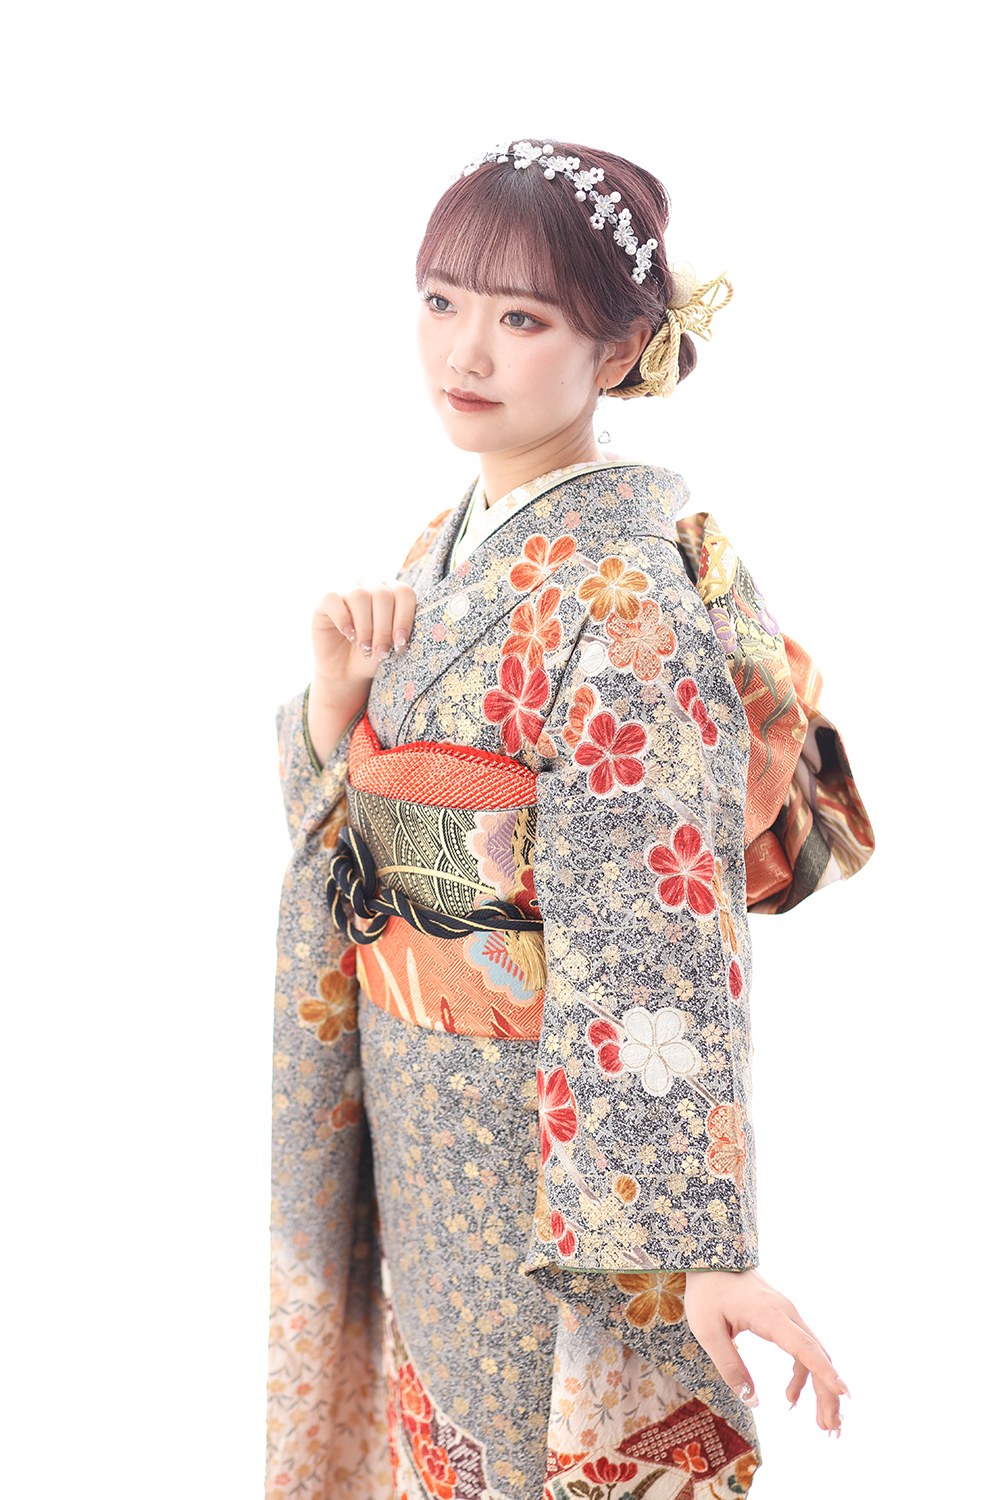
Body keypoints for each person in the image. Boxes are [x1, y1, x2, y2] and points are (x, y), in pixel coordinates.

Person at [266, 139, 874, 1500]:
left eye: (521, 317)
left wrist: (699, 1247)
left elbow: (655, 934)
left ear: (620, 347)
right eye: (441, 300)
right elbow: (360, 832)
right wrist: (336, 704)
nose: (464, 350)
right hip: (417, 1110)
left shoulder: (627, 598)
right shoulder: (446, 543)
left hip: (542, 1149)